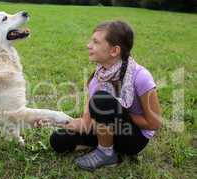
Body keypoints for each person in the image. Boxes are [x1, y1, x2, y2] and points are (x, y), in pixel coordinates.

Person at [49, 21, 162, 171]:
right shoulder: (97, 78)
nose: (88, 45)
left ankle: (106, 153)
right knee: (58, 140)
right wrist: (54, 120)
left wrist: (116, 112)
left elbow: (154, 123)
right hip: (106, 130)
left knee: (102, 101)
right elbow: (87, 122)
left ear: (114, 50)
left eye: (95, 42)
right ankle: (106, 144)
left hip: (133, 138)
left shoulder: (140, 76)